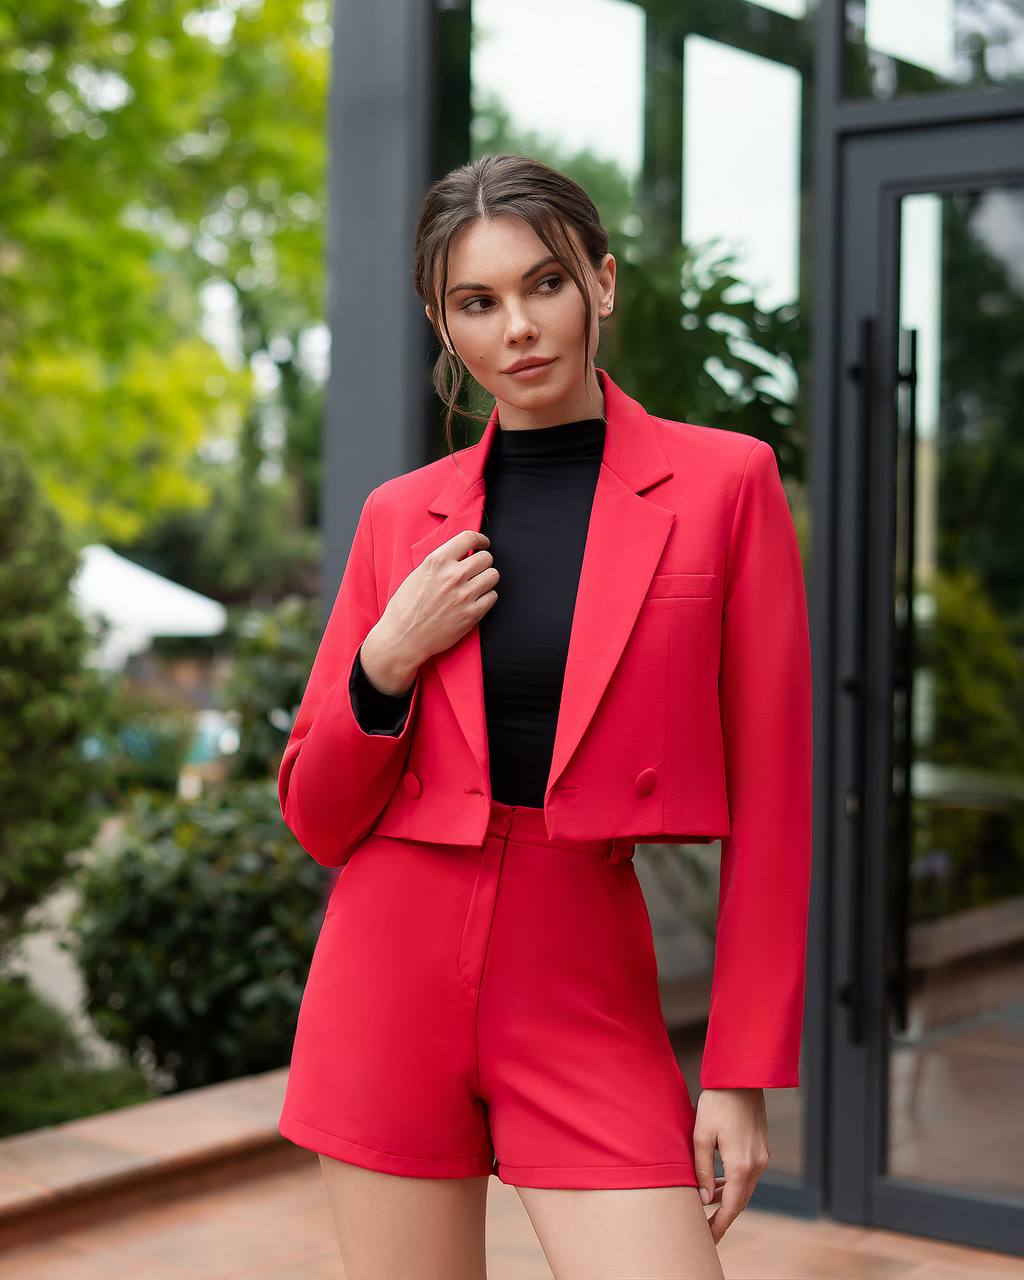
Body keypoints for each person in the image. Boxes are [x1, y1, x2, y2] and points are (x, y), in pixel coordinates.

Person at [276, 153, 813, 1280]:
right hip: (389, 967)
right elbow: (318, 818)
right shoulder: (399, 518)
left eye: (545, 285)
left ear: (601, 283)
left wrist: (739, 1069)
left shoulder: (726, 484)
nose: (517, 327)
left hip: (581, 970)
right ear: (444, 323)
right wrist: (387, 657)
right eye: (477, 302)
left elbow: (775, 796)